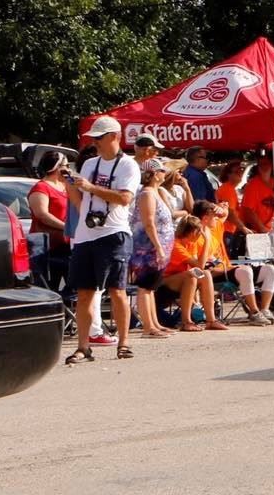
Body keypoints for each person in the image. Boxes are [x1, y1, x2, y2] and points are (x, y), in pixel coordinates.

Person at [65, 116, 139, 364]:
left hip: (114, 233)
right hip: (87, 234)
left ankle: (124, 343)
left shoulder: (128, 165)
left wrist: (90, 188)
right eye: (93, 138)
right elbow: (81, 195)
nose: (95, 142)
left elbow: (125, 198)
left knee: (117, 291)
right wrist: (79, 197)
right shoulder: (89, 165)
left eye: (99, 137)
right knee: (84, 292)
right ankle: (83, 347)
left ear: (114, 136)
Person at [196, 201, 274, 327]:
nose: (217, 218)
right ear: (205, 218)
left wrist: (220, 209)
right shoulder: (196, 235)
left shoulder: (215, 226)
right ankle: (254, 312)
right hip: (214, 274)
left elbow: (226, 213)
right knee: (245, 271)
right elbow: (201, 267)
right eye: (214, 216)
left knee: (271, 270)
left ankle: (264, 310)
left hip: (228, 270)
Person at [128, 158, 177, 339]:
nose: (165, 173)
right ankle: (148, 326)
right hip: (147, 248)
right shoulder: (147, 194)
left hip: (158, 248)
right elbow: (149, 223)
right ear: (154, 174)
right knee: (145, 286)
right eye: (162, 171)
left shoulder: (156, 193)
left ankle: (155, 323)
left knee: (151, 287)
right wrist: (158, 246)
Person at [161, 214, 227, 332]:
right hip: (165, 281)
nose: (200, 234)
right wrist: (207, 241)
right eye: (199, 231)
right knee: (191, 276)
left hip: (181, 277)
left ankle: (211, 320)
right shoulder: (176, 245)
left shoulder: (191, 244)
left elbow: (200, 267)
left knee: (205, 274)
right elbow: (199, 265)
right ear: (192, 232)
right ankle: (186, 321)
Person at [27, 151, 71, 258]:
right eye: (67, 166)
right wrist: (66, 228)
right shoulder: (41, 187)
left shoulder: (66, 185)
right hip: (48, 247)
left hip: (67, 244)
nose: (69, 169)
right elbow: (42, 215)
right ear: (57, 167)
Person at [215, 160, 252, 258]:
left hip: (229, 231)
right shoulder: (227, 190)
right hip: (226, 231)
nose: (240, 174)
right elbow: (230, 213)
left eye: (241, 171)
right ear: (228, 174)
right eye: (237, 172)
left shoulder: (230, 189)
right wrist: (243, 228)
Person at [240, 158, 274, 235]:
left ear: (272, 166)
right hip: (256, 231)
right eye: (261, 165)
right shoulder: (252, 185)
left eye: (266, 164)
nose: (264, 167)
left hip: (273, 230)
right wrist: (262, 228)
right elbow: (248, 210)